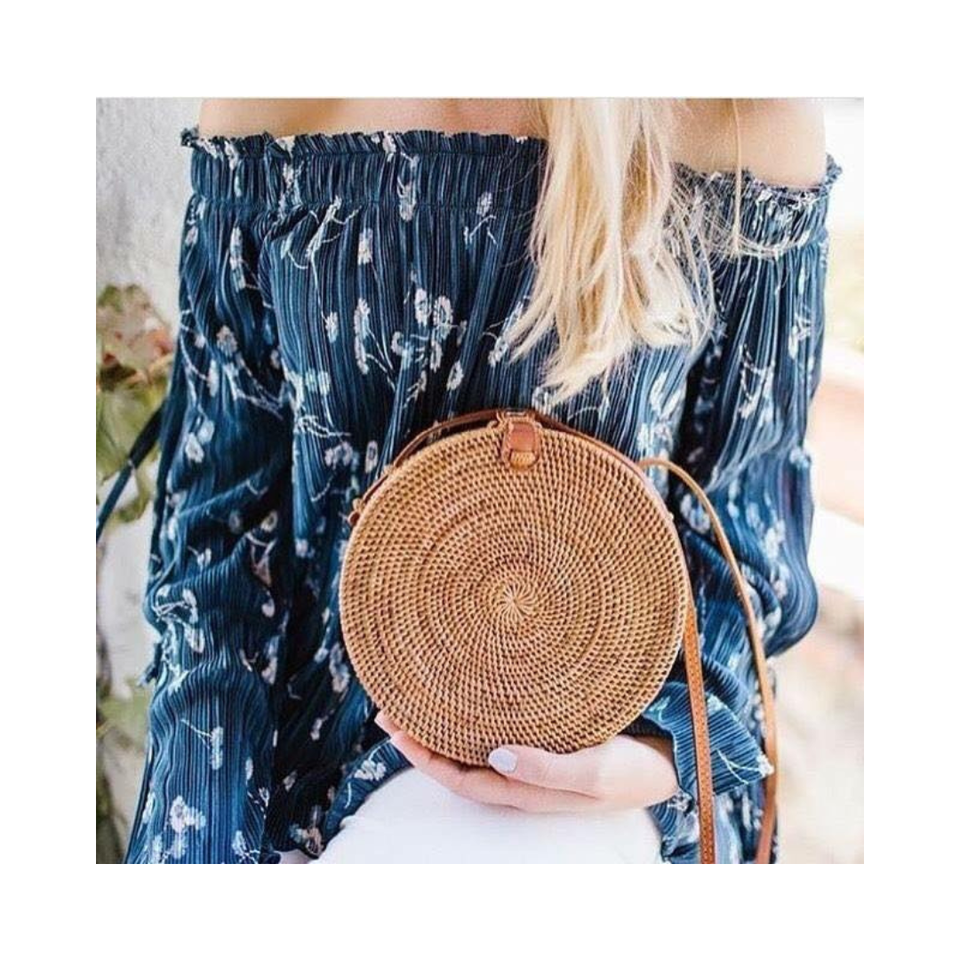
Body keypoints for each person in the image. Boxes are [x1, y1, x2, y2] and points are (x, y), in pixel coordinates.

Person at [121, 98, 841, 864]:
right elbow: (219, 539)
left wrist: (666, 752)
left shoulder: (741, 112)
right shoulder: (277, 95)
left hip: (608, 745)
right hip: (301, 760)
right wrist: (197, 846)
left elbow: (743, 519)